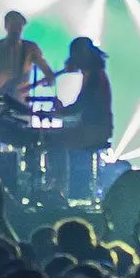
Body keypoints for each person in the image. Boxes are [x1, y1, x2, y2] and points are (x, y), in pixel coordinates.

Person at [0, 10, 53, 150]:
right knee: (1, 140)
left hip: (21, 103)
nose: (17, 30)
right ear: (6, 25)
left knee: (23, 140)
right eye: (13, 25)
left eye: (19, 26)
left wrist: (49, 79)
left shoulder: (30, 48)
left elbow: (46, 70)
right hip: (0, 103)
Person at [50, 36, 113, 199]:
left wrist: (61, 112)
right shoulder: (93, 73)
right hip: (95, 127)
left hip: (96, 130)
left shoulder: (94, 76)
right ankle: (61, 187)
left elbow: (82, 104)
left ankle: (58, 188)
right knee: (57, 137)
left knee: (53, 140)